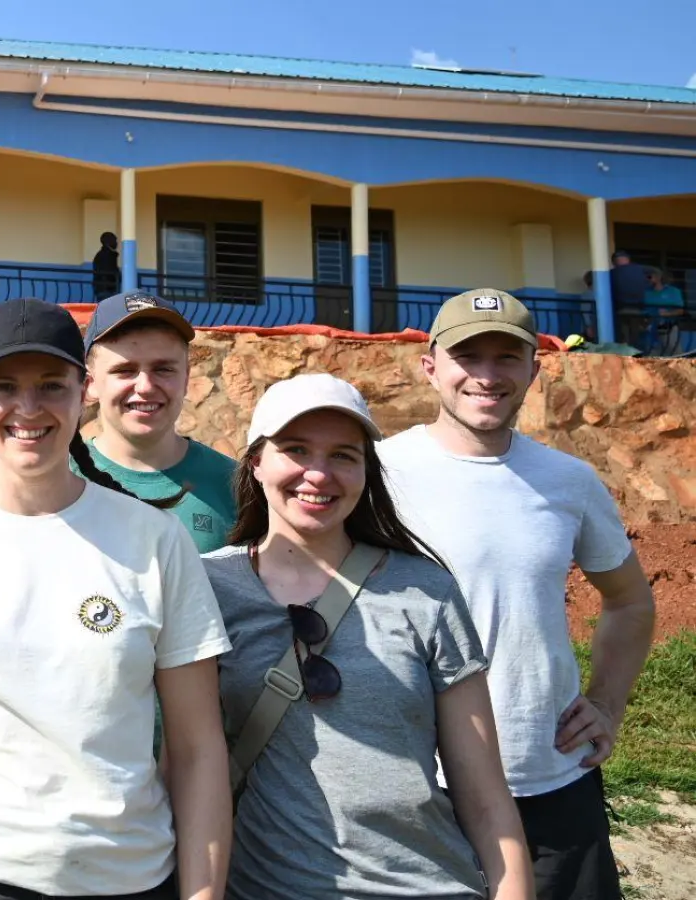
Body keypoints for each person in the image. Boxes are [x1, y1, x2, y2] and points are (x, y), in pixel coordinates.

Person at [0, 298, 233, 900]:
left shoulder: (156, 541)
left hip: (127, 878)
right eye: (5, 386)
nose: (27, 410)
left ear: (82, 391)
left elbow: (198, 749)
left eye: (51, 386)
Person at [204, 373, 532, 900]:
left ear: (365, 471)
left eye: (343, 455)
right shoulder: (207, 587)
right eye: (295, 449)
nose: (318, 473)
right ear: (255, 461)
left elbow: (485, 794)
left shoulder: (426, 590)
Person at [379, 289, 657, 900]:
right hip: (420, 786)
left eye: (507, 357)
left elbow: (630, 600)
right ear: (430, 367)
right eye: (467, 356)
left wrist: (607, 703)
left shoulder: (570, 481)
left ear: (534, 368)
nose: (486, 375)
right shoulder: (377, 476)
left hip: (550, 776)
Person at [81, 291, 236, 553]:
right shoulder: (56, 481)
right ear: (90, 385)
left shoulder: (236, 486)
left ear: (186, 378)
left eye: (163, 369)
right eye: (124, 370)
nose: (145, 386)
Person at [643, 268, 685, 355]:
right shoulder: (645, 292)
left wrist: (666, 314)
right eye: (646, 277)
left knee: (674, 352)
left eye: (649, 277)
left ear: (658, 277)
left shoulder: (673, 291)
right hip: (649, 329)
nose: (647, 279)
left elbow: (680, 311)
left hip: (668, 327)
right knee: (650, 355)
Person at [93, 232, 121, 300]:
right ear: (108, 242)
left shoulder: (106, 254)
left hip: (105, 289)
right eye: (115, 240)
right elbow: (109, 272)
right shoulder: (106, 255)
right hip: (106, 289)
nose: (116, 243)